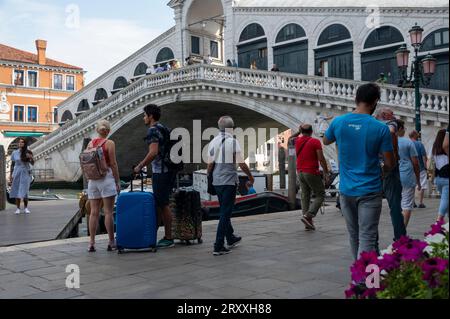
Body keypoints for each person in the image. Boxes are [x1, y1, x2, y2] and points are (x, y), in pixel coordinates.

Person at [324, 83, 395, 260]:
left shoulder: (338, 122)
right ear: (375, 102)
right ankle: (365, 281)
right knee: (368, 237)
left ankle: (360, 277)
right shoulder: (381, 128)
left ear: (356, 99)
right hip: (370, 189)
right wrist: (383, 171)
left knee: (355, 236)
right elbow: (390, 162)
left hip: (346, 190)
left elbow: (325, 140)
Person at [207, 116, 254, 256]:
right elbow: (241, 163)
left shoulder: (213, 142)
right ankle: (218, 245)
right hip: (228, 181)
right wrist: (250, 177)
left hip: (217, 182)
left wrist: (210, 177)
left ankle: (230, 237)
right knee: (225, 214)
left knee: (223, 210)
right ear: (232, 129)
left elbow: (209, 164)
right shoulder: (232, 142)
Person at [134, 104, 175, 248]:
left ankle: (169, 237)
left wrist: (140, 165)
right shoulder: (163, 128)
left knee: (163, 205)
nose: (143, 118)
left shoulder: (152, 131)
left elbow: (153, 152)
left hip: (160, 172)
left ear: (150, 116)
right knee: (159, 204)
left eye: (144, 115)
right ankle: (155, 233)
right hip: (169, 170)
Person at [86, 120, 121, 252]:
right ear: (108, 130)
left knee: (94, 212)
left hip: (93, 180)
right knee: (108, 212)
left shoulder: (90, 143)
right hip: (106, 178)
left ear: (97, 130)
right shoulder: (109, 143)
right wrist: (117, 181)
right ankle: (111, 242)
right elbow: (113, 163)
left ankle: (91, 243)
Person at [376, 107, 406, 241]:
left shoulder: (371, 123)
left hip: (373, 168)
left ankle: (372, 243)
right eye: (391, 114)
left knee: (371, 208)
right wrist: (393, 157)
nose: (394, 116)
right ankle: (400, 238)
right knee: (395, 206)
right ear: (384, 115)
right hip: (389, 168)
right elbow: (391, 131)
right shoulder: (390, 123)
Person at [295, 124, 329, 231]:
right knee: (320, 194)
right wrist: (326, 172)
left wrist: (298, 131)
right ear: (311, 131)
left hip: (300, 172)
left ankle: (307, 223)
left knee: (305, 196)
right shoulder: (315, 142)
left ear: (301, 131)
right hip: (310, 171)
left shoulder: (296, 141)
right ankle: (308, 215)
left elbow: (291, 138)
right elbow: (321, 158)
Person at [397, 120, 421, 228]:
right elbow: (415, 163)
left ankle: (398, 229)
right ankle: (401, 232)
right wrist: (418, 180)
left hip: (393, 176)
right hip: (407, 175)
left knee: (397, 204)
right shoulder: (408, 142)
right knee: (407, 204)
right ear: (400, 129)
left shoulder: (387, 141)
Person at [9, 138, 34, 215]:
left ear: (25, 144)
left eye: (22, 142)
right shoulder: (14, 153)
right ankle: (18, 208)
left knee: (25, 191)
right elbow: (13, 164)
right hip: (17, 172)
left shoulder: (28, 152)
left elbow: (32, 163)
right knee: (16, 190)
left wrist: (30, 157)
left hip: (26, 172)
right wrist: (11, 174)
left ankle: (26, 208)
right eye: (19, 142)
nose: (20, 143)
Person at [432, 129, 449, 222]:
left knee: (446, 200)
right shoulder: (447, 150)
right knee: (445, 200)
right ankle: (439, 220)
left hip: (438, 179)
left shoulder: (435, 150)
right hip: (447, 178)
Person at [409, 130, 428, 208]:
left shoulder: (408, 143)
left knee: (412, 185)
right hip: (420, 167)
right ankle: (420, 202)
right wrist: (425, 166)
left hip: (410, 168)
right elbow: (424, 156)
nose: (418, 135)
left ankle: (413, 202)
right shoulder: (419, 144)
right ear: (414, 135)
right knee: (422, 184)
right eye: (417, 134)